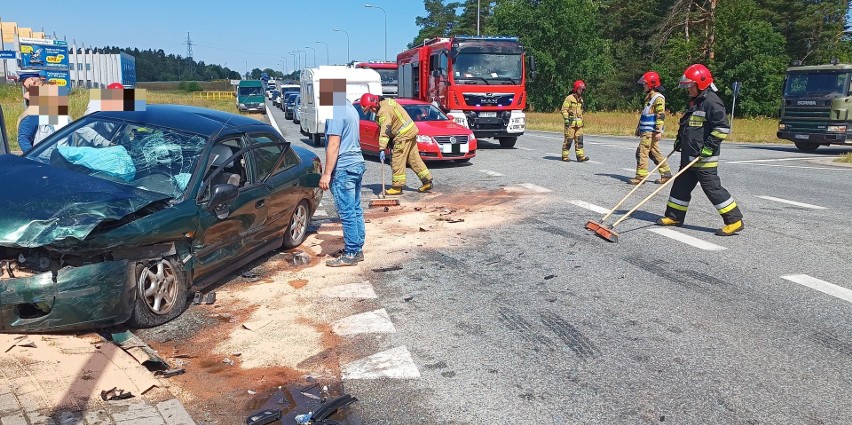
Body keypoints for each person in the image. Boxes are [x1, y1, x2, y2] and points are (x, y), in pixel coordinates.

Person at [657, 64, 744, 236]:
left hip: (704, 158)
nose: (688, 89)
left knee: (712, 189)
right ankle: (674, 216)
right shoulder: (696, 102)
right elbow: (689, 125)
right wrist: (680, 140)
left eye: (690, 85)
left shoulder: (712, 102)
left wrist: (709, 148)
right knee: (680, 186)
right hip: (690, 155)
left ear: (701, 84)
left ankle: (734, 220)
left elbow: (722, 128)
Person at [321, 90, 367, 267]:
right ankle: (357, 248)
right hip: (357, 162)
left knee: (347, 212)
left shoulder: (337, 110)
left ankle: (351, 253)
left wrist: (326, 173)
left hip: (344, 167)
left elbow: (334, 144)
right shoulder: (351, 109)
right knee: (355, 209)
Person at [359, 93, 432, 195]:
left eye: (370, 109)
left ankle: (397, 187)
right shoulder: (386, 102)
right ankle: (427, 181)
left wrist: (382, 149)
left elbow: (385, 130)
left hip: (402, 135)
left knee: (397, 160)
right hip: (410, 131)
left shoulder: (383, 112)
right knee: (413, 158)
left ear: (374, 104)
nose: (371, 111)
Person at [630, 71, 673, 185]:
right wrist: (639, 128)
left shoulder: (658, 98)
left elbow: (661, 115)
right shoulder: (650, 98)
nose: (643, 86)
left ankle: (640, 177)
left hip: (651, 131)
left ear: (651, 84)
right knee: (654, 153)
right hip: (646, 131)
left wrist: (658, 131)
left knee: (642, 152)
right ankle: (666, 174)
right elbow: (645, 114)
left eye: (645, 84)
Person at [560, 80, 589, 162]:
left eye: (582, 89)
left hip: (579, 124)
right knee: (568, 140)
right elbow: (563, 110)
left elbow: (580, 112)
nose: (581, 91)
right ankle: (565, 156)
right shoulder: (569, 98)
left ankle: (580, 156)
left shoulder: (581, 99)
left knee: (579, 140)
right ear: (576, 88)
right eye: (580, 89)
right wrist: (566, 119)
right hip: (570, 124)